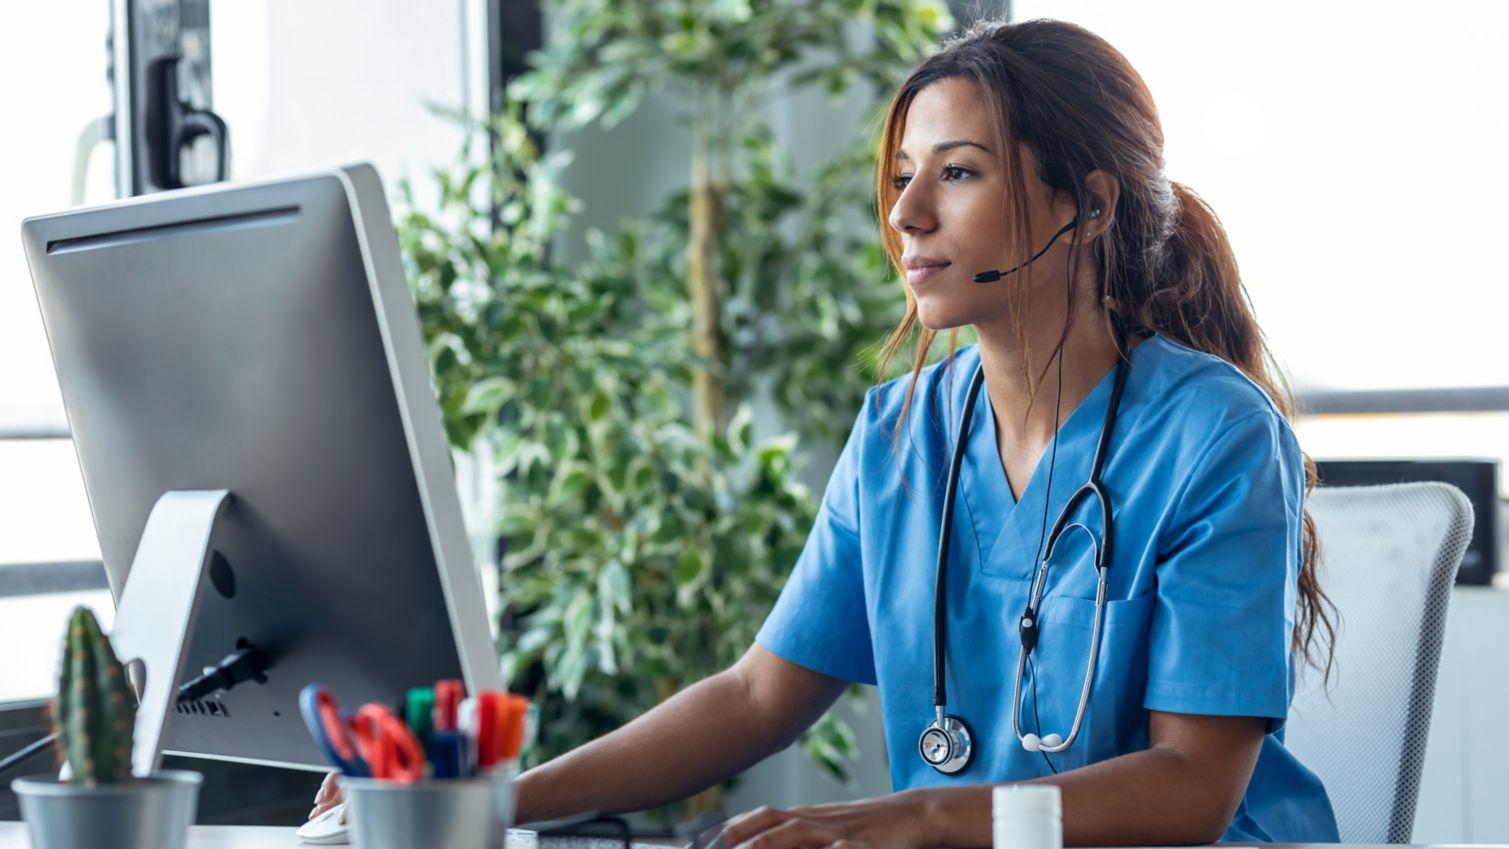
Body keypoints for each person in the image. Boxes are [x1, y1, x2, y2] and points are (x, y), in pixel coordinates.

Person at [312, 17, 1339, 847]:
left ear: (1089, 204)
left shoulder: (1214, 436)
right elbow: (759, 694)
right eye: (901, 176)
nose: (908, 216)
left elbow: (1195, 787)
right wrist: (490, 803)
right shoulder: (901, 432)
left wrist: (917, 817)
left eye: (961, 173)